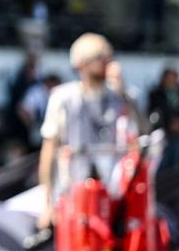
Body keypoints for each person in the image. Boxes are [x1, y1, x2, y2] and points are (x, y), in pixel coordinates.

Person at [36, 33, 143, 232]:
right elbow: (49, 150)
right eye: (100, 58)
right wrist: (47, 203)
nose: (108, 63)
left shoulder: (122, 97)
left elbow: (143, 134)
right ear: (81, 64)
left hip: (115, 200)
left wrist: (123, 93)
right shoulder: (63, 98)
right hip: (73, 198)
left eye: (109, 57)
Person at [147, 65, 179, 171]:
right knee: (162, 160)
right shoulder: (155, 93)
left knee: (177, 158)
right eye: (168, 78)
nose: (171, 81)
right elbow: (153, 112)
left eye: (173, 78)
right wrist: (169, 122)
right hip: (163, 130)